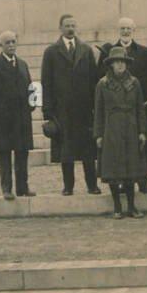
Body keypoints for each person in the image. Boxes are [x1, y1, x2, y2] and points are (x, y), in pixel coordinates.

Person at [41, 13, 101, 195]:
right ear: (60, 28)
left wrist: (94, 108)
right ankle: (68, 186)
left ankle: (92, 185)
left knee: (88, 152)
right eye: (67, 25)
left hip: (84, 110)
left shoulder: (86, 50)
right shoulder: (51, 52)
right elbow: (46, 82)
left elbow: (93, 80)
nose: (70, 28)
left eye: (73, 25)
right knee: (66, 152)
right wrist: (48, 111)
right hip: (62, 111)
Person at [100, 18, 147, 193]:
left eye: (128, 28)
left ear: (134, 30)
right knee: (118, 145)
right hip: (116, 110)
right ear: (118, 30)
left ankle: (142, 179)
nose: (125, 31)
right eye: (122, 28)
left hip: (140, 106)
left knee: (141, 144)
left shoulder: (145, 52)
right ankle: (120, 180)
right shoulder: (108, 52)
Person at [94, 45, 147, 219]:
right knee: (113, 169)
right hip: (111, 129)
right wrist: (99, 134)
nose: (120, 65)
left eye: (123, 62)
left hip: (131, 128)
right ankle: (117, 207)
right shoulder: (103, 84)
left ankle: (132, 206)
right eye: (116, 62)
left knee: (130, 169)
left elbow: (140, 109)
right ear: (111, 64)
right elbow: (98, 111)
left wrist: (142, 131)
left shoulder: (134, 83)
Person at [0, 30, 36, 200]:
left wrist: (32, 103)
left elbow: (30, 87)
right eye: (7, 43)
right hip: (3, 119)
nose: (11, 45)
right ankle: (6, 188)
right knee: (4, 153)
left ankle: (22, 187)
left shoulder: (23, 64)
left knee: (22, 153)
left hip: (22, 118)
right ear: (1, 46)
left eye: (13, 42)